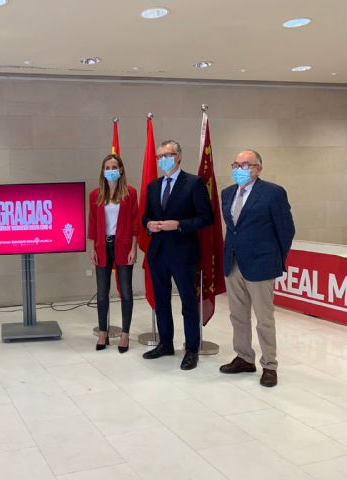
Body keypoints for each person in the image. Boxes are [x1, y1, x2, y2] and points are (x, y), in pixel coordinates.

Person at [219, 150, 295, 387]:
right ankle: (244, 357)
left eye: (245, 165)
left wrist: (275, 258)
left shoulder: (273, 193)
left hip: (261, 264)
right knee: (237, 315)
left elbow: (286, 230)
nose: (239, 169)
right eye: (236, 164)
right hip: (233, 263)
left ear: (258, 169)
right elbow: (233, 229)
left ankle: (269, 365)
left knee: (264, 318)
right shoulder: (227, 193)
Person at [142, 140, 213, 370]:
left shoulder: (194, 183)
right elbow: (145, 216)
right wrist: (149, 224)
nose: (163, 159)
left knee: (187, 303)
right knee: (161, 301)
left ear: (179, 156)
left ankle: (191, 349)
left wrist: (179, 224)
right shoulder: (153, 186)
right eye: (159, 156)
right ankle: (166, 343)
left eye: (168, 155)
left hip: (183, 253)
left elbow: (206, 218)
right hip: (158, 252)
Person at [88, 154, 140, 353]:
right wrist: (92, 247)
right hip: (102, 246)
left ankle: (125, 334)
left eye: (114, 167)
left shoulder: (130, 193)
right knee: (102, 292)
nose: (111, 170)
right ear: (103, 171)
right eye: (107, 167)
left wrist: (133, 248)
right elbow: (92, 223)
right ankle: (103, 332)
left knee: (125, 291)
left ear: (121, 170)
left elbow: (135, 223)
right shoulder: (95, 195)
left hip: (124, 246)